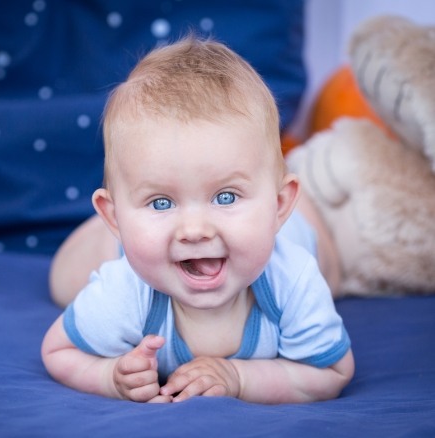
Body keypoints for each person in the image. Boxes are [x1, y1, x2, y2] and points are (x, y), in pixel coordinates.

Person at [41, 36, 354, 404]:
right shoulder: (125, 292)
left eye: (225, 197)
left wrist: (238, 377)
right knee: (63, 280)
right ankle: (116, 231)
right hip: (133, 245)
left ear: (279, 203)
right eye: (161, 202)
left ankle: (301, 203)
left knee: (334, 272)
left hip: (296, 230)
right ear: (113, 215)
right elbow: (58, 351)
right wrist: (110, 376)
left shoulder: (294, 280)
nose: (194, 230)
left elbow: (332, 371)